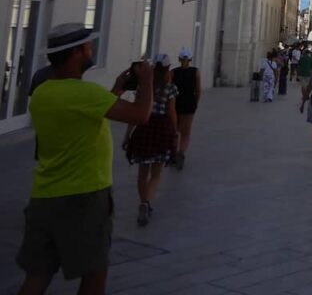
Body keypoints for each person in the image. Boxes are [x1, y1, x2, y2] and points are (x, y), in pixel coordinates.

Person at [17, 23, 153, 295]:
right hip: (83, 197)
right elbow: (141, 115)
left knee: (38, 274)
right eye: (87, 46)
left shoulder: (44, 93)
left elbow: (85, 115)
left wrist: (115, 89)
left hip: (44, 196)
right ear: (76, 52)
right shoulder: (84, 93)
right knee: (94, 272)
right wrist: (148, 80)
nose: (91, 49)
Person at [124, 54, 178, 226]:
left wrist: (128, 134)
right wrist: (174, 132)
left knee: (142, 172)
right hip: (161, 128)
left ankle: (142, 201)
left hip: (144, 125)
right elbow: (171, 112)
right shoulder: (170, 88)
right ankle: (146, 202)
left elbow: (135, 111)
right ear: (168, 69)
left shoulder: (143, 87)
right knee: (156, 173)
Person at [171, 48, 201, 170]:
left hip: (176, 103)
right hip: (189, 103)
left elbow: (169, 88)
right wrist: (196, 103)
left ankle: (174, 152)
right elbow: (198, 90)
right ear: (190, 60)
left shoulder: (173, 72)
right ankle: (181, 152)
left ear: (179, 59)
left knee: (175, 130)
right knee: (186, 132)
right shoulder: (196, 72)